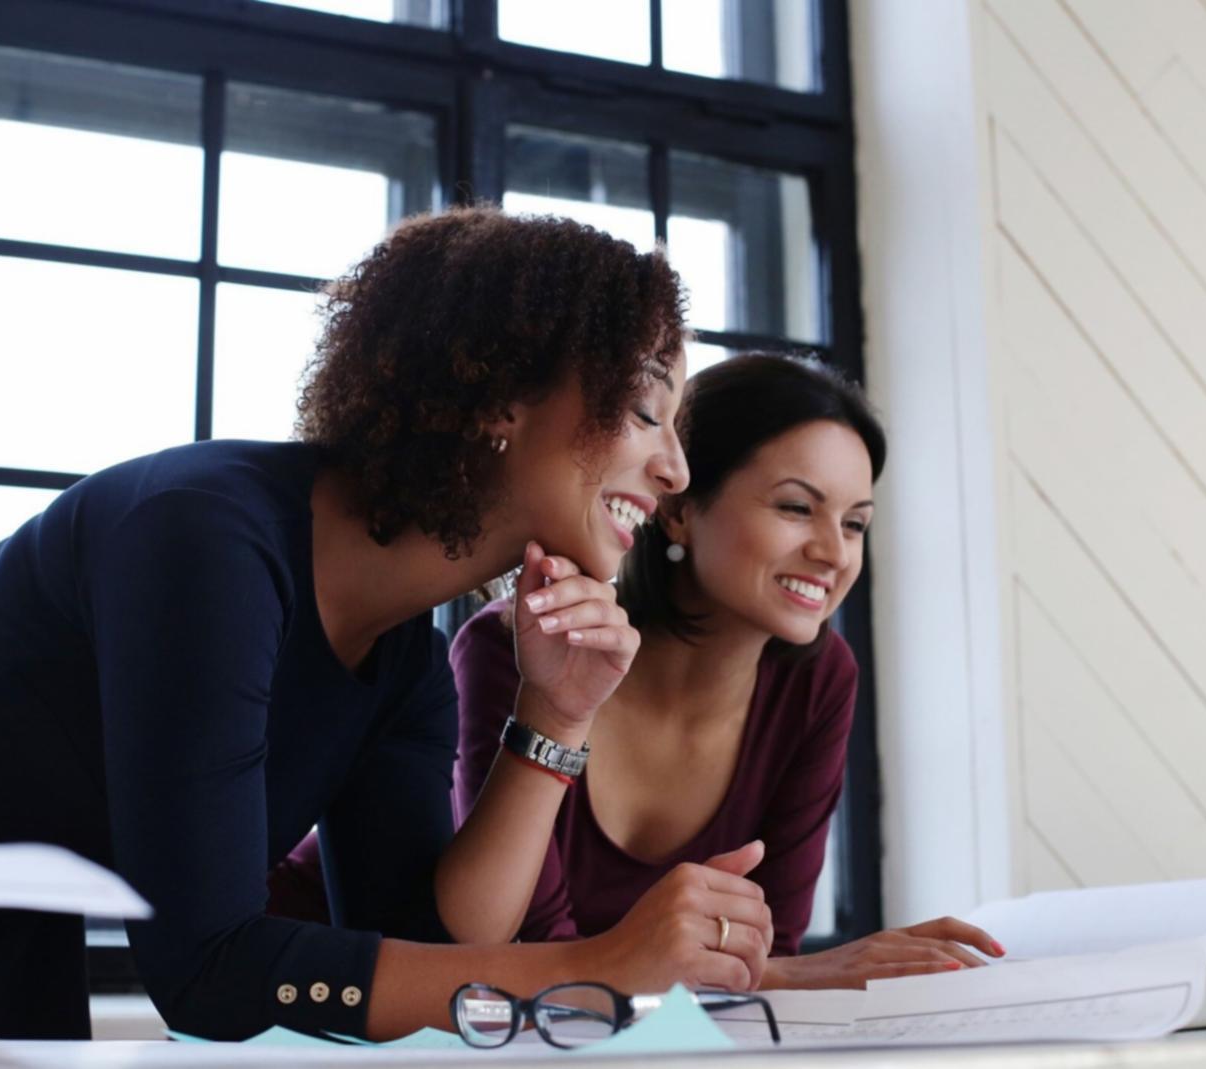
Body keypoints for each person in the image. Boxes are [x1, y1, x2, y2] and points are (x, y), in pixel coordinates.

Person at [0, 208, 776, 1043]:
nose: (674, 469)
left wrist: (556, 720)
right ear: (504, 395)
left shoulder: (402, 667)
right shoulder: (205, 536)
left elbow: (425, 954)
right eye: (643, 410)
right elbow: (208, 972)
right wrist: (594, 968)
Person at [274, 353, 1004, 988]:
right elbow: (532, 952)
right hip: (320, 984)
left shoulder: (818, 679)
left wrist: (791, 970)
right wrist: (799, 974)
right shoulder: (528, 648)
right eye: (795, 507)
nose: (833, 552)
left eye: (855, 523)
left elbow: (758, 946)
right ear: (679, 511)